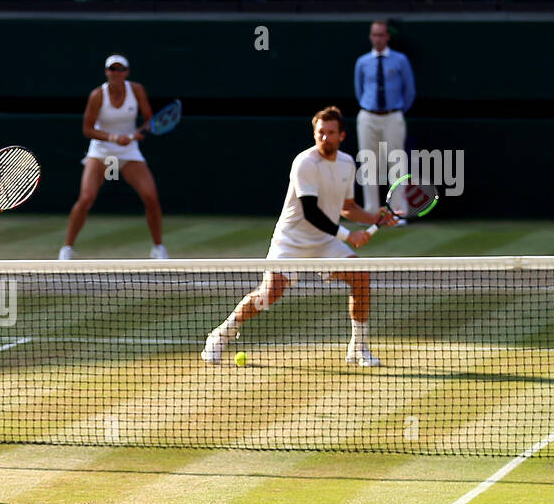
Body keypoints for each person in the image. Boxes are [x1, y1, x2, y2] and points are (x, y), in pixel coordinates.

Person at [201, 107, 397, 367]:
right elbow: (310, 212)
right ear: (315, 134)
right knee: (269, 294)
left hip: (324, 242)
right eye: (320, 133)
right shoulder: (304, 162)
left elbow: (347, 206)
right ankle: (220, 335)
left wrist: (374, 218)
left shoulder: (347, 163)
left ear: (342, 135)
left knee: (360, 277)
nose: (325, 138)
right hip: (291, 241)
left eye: (331, 133)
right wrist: (350, 235)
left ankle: (357, 348)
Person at [60, 54, 166, 260]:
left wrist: (138, 133)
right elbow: (87, 129)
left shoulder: (137, 90)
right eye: (112, 69)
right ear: (106, 72)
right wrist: (114, 137)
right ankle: (67, 248)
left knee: (150, 196)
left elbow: (149, 121)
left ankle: (158, 248)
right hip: (100, 151)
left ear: (127, 72)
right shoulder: (97, 95)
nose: (115, 73)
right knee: (86, 197)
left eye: (120, 69)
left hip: (129, 151)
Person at [354, 20, 416, 219]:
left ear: (387, 36)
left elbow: (410, 90)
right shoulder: (362, 62)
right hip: (368, 116)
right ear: (370, 37)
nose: (377, 39)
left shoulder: (400, 60)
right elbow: (359, 89)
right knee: (368, 163)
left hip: (393, 116)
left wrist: (396, 110)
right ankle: (371, 211)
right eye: (374, 35)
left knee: (397, 163)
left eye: (381, 35)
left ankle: (398, 213)